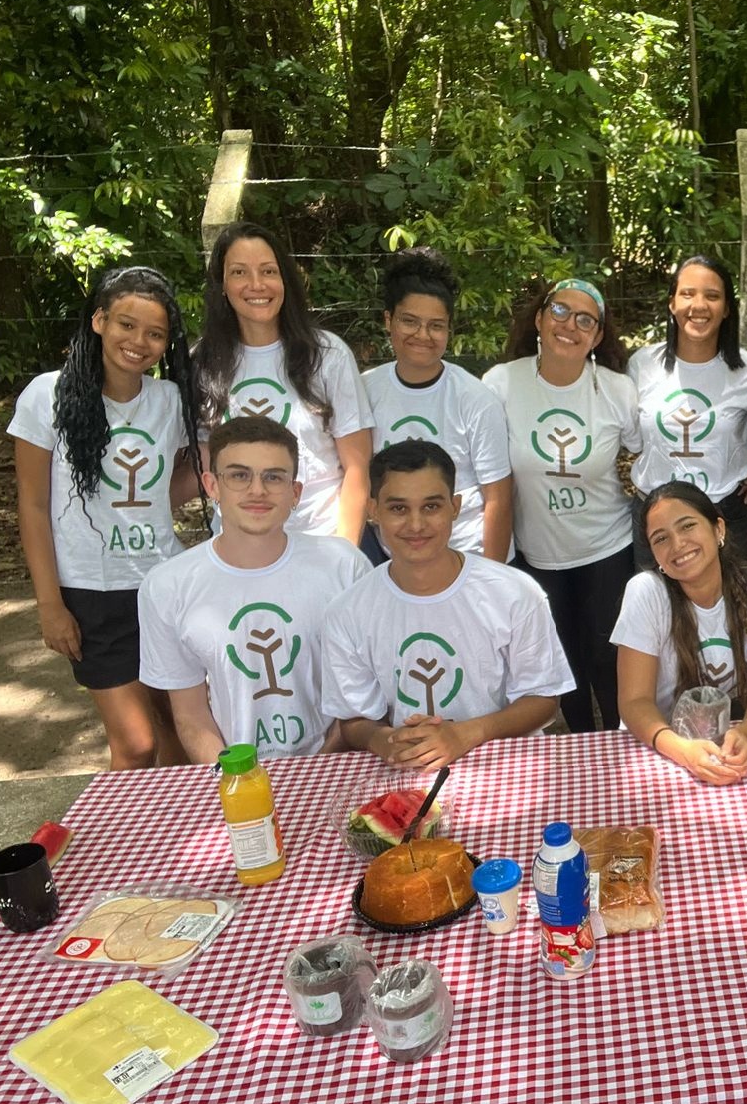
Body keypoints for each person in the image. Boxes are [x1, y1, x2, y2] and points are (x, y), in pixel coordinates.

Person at [9, 265, 201, 770]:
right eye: (126, 325)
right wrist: (50, 604)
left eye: (155, 333)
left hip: (162, 585)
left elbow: (173, 486)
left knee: (180, 737)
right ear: (99, 321)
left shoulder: (171, 401)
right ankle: (118, 838)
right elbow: (32, 505)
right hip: (91, 594)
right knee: (136, 743)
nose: (139, 342)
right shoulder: (46, 395)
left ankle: (175, 838)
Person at [321, 440, 574, 770]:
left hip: (504, 766)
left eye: (431, 507)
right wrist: (384, 740)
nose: (415, 525)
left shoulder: (516, 593)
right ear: (373, 510)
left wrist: (465, 734)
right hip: (407, 769)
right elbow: (354, 719)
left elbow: (543, 699)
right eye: (398, 508)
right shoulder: (347, 613)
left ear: (455, 507)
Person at [137, 416, 371, 762]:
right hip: (233, 771)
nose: (257, 490)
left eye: (274, 477)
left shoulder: (343, 566)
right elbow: (191, 715)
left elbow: (362, 689)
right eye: (239, 475)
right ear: (212, 485)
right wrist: (237, 778)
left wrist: (316, 765)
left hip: (332, 762)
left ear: (295, 493)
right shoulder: (167, 586)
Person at [483, 278, 641, 732]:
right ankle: (580, 754)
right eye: (559, 311)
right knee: (561, 668)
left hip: (606, 549)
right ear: (538, 318)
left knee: (608, 663)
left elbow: (641, 450)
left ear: (597, 336)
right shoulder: (502, 384)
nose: (570, 325)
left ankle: (619, 750)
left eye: (585, 319)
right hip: (536, 555)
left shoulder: (616, 391)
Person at [193, 220, 374, 542]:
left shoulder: (328, 355)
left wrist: (344, 553)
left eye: (268, 271)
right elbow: (207, 465)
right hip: (238, 550)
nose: (256, 284)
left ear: (285, 280)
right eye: (239, 272)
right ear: (221, 283)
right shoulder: (203, 361)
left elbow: (358, 469)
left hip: (320, 542)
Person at [612, 481, 747, 785]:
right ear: (655, 556)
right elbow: (634, 701)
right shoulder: (645, 593)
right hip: (658, 746)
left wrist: (745, 733)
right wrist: (682, 751)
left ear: (718, 529)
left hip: (728, 743)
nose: (678, 544)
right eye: (661, 539)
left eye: (687, 526)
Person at [360, 247, 513, 564]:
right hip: (393, 561)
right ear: (388, 320)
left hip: (467, 556)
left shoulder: (476, 398)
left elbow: (497, 496)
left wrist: (493, 577)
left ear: (449, 329)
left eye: (436, 325)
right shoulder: (364, 390)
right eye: (409, 321)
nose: (422, 335)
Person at [626, 256, 747, 567]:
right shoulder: (643, 365)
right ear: (672, 304)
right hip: (655, 517)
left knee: (731, 612)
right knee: (658, 611)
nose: (699, 305)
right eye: (688, 294)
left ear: (727, 309)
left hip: (725, 514)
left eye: (712, 296)